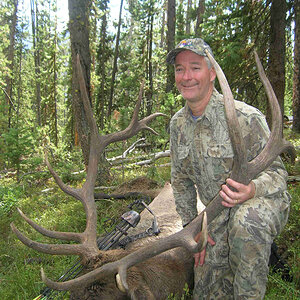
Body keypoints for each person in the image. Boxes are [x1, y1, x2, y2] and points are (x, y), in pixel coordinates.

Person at [166, 38, 291, 299]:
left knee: (246, 223)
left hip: (260, 204)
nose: (186, 76)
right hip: (216, 215)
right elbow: (181, 182)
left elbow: (278, 174)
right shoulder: (177, 125)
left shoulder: (246, 117)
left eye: (195, 67)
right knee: (205, 291)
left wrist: (253, 188)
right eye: (179, 69)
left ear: (212, 73)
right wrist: (194, 229)